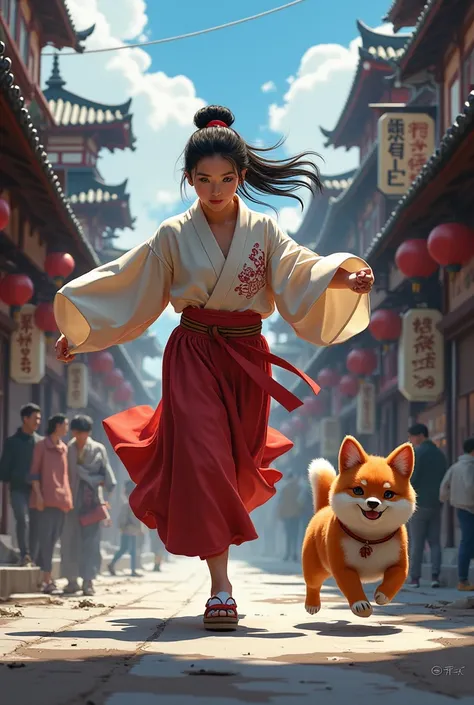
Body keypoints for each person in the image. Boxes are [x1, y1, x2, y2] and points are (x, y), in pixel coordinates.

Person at [53, 105, 373, 631]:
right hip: (195, 354)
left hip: (246, 358)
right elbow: (130, 287)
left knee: (232, 461)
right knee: (205, 462)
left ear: (242, 177)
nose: (215, 189)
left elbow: (300, 272)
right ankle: (221, 587)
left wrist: (344, 277)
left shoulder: (264, 230)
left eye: (226, 179)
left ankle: (220, 572)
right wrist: (80, 332)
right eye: (203, 180)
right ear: (189, 179)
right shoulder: (173, 234)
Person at [61, 415, 117, 596]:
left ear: (89, 433)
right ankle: (71, 581)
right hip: (72, 501)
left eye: (84, 434)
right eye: (78, 433)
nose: (81, 437)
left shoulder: (98, 449)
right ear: (73, 432)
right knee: (70, 542)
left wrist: (100, 491)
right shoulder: (68, 449)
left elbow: (108, 479)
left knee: (91, 544)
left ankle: (88, 581)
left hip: (92, 501)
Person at [29, 414, 73, 594]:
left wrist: (68, 500)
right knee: (46, 541)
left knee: (54, 540)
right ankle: (47, 580)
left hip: (61, 501)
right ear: (57, 426)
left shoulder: (64, 448)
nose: (67, 428)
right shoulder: (41, 445)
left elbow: (65, 477)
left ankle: (46, 578)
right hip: (45, 501)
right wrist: (38, 496)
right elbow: (34, 473)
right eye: (65, 424)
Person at [0, 403, 42, 566]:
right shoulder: (12, 442)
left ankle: (33, 554)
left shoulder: (40, 442)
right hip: (18, 489)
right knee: (22, 520)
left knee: (35, 522)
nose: (38, 421)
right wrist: (14, 477)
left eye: (39, 418)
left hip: (37, 490)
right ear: (25, 419)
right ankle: (24, 554)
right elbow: (4, 467)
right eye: (35, 418)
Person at [407, 423, 447, 588]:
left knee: (417, 543)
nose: (410, 440)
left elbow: (412, 479)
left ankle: (415, 578)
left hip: (419, 504)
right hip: (436, 504)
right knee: (435, 542)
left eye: (411, 436)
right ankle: (435, 577)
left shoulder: (417, 454)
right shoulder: (440, 454)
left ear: (421, 435)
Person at [440, 437, 474, 591]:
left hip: (460, 508)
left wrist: (445, 499)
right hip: (471, 508)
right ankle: (463, 580)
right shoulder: (470, 466)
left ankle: (463, 579)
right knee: (467, 543)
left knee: (466, 542)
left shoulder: (456, 466)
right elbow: (470, 485)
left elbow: (443, 487)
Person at [108, 481, 143, 577]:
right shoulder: (128, 504)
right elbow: (124, 519)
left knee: (127, 550)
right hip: (128, 530)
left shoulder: (130, 503)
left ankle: (130, 569)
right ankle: (130, 570)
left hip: (132, 531)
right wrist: (124, 527)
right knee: (127, 549)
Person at [277, 472, 303, 562]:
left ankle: (289, 554)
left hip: (291, 515)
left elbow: (280, 502)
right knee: (293, 535)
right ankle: (292, 554)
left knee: (291, 535)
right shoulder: (298, 488)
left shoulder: (286, 489)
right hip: (294, 515)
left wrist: (280, 514)